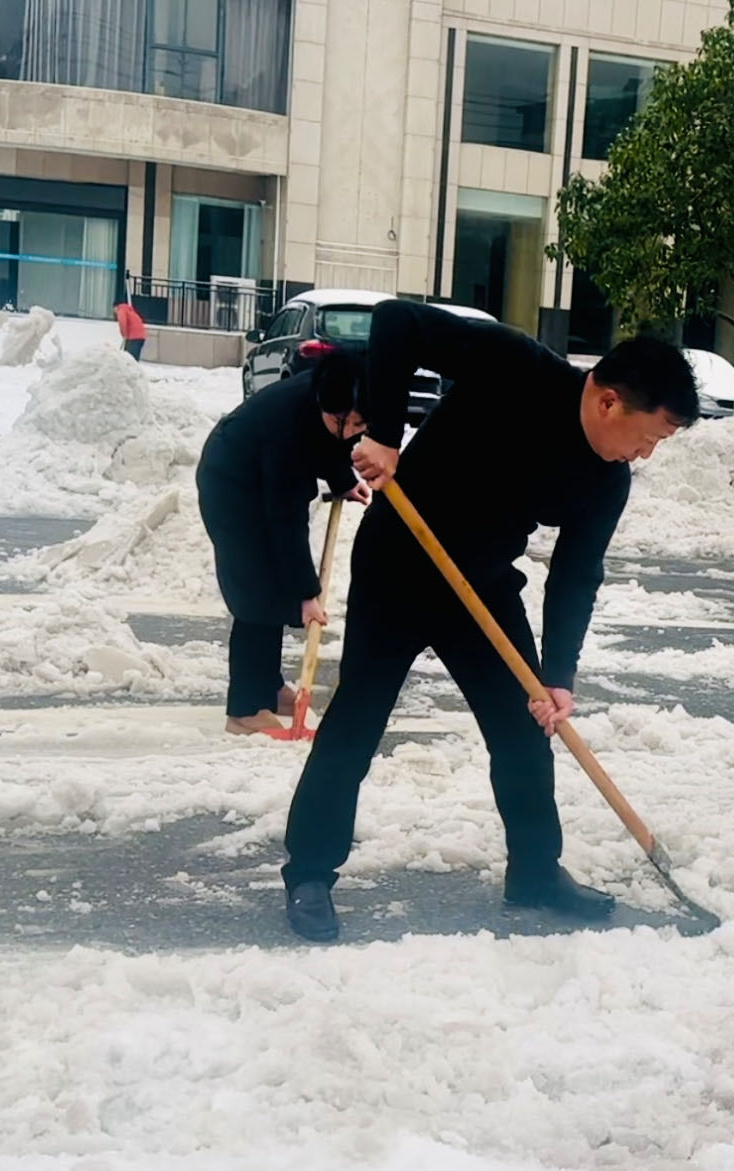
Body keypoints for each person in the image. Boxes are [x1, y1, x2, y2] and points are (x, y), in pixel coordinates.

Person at [280, 299, 698, 942]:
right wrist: (386, 434)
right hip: (400, 563)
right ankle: (309, 873)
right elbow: (397, 323)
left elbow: (576, 574)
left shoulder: (607, 481)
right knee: (357, 720)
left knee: (523, 729)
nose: (644, 454)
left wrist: (557, 677)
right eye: (650, 437)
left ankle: (535, 873)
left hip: (481, 585)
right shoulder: (516, 365)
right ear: (610, 402)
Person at [195, 353, 372, 737]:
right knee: (257, 590)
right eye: (341, 421)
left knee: (271, 587)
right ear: (323, 404)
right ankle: (245, 710)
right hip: (232, 486)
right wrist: (307, 594)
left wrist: (343, 480)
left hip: (261, 478)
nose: (349, 432)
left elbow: (330, 442)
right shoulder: (287, 427)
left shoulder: (331, 399)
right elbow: (286, 520)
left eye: (358, 424)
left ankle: (269, 688)